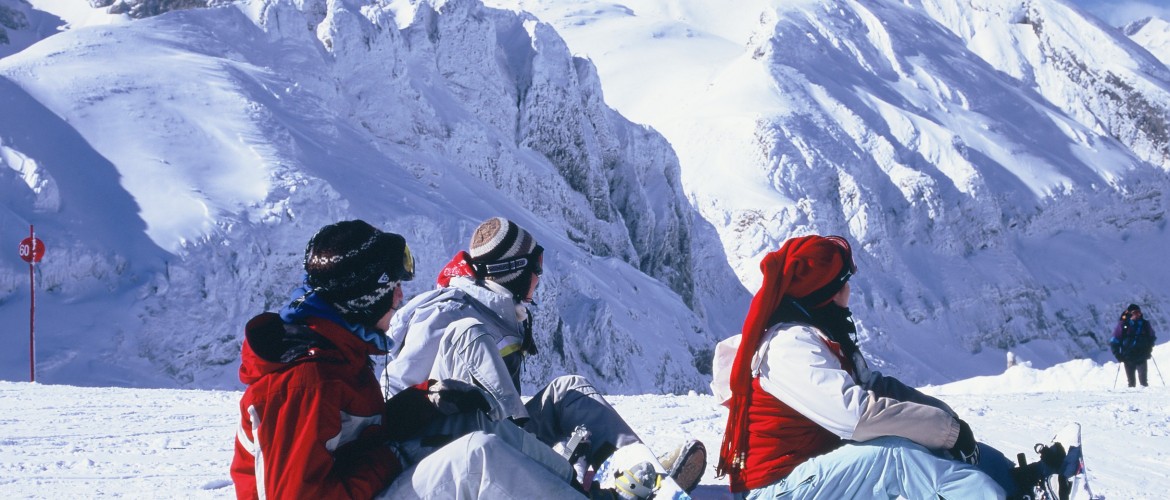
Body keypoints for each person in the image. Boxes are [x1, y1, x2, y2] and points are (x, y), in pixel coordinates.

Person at [231, 220, 585, 499]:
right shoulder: (303, 382)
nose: (401, 297)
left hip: (366, 482)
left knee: (471, 421)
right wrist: (390, 457)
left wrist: (423, 401)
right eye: (392, 288)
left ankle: (576, 489)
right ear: (367, 298)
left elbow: (353, 439)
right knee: (477, 457)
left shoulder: (338, 354)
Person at [380, 216, 707, 498]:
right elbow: (392, 397)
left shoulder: (499, 309)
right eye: (535, 266)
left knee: (570, 392)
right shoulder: (448, 314)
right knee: (469, 333)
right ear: (513, 271)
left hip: (505, 434)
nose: (539, 275)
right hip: (455, 452)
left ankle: (644, 477)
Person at [712, 234, 1054, 499]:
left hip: (806, 474)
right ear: (825, 293)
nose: (849, 291)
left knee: (928, 442)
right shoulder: (789, 346)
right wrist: (944, 430)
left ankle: (1018, 482)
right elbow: (856, 417)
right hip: (775, 489)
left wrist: (948, 425)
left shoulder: (820, 334)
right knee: (895, 458)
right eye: (843, 283)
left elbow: (874, 386)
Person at [1111, 304, 1157, 388]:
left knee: (1143, 382)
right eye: (1135, 312)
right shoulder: (1123, 325)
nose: (1138, 314)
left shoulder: (1145, 324)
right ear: (1129, 313)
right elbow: (1114, 341)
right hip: (1128, 357)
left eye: (1139, 312)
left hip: (1141, 356)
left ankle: (1143, 395)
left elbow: (1152, 337)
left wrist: (1149, 348)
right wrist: (1117, 354)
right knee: (1131, 383)